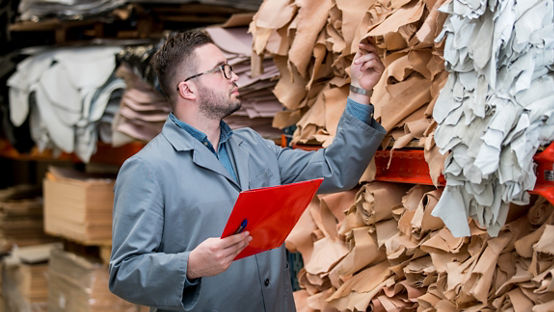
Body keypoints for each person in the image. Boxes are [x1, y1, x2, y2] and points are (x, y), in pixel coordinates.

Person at [108, 30, 386, 312]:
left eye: (229, 67)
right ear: (188, 89)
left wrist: (360, 90)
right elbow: (125, 273)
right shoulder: (148, 168)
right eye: (221, 70)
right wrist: (190, 266)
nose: (235, 76)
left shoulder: (253, 147)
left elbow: (336, 169)